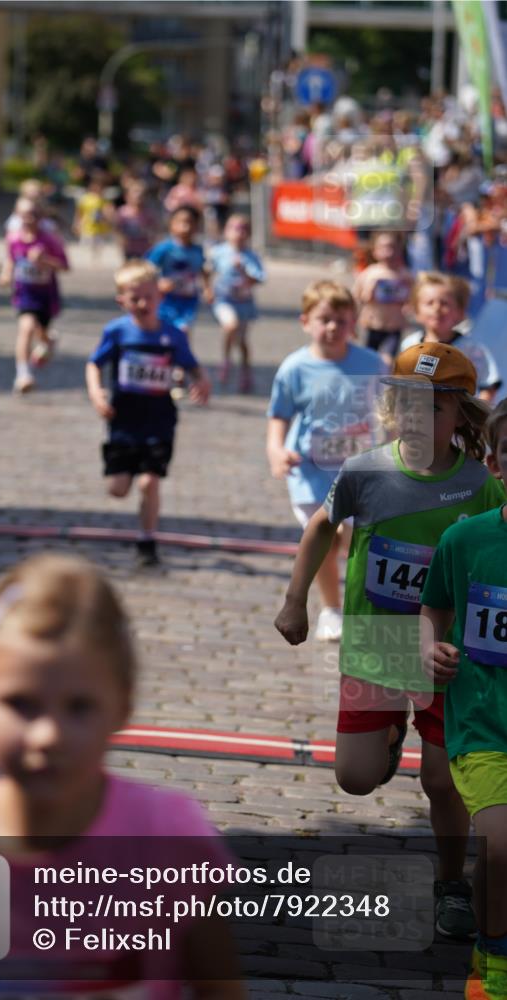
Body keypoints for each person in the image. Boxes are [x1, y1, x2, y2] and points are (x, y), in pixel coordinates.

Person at [0, 553, 244, 1000]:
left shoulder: (164, 840)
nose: (47, 735)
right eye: (21, 703)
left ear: (123, 705)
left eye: (79, 707)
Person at [274, 343, 505, 940]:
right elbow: (321, 527)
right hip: (378, 642)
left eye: (431, 407)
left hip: (446, 652)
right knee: (354, 777)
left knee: (439, 780)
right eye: (404, 402)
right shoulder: (364, 472)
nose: (415, 417)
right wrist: (296, 598)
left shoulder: (482, 486)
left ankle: (451, 882)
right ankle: (388, 732)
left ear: (460, 416)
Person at [421, 399, 507, 1000]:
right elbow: (433, 609)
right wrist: (430, 649)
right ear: (498, 463)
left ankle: (486, 934)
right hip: (482, 728)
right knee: (502, 844)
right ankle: (494, 964)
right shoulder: (465, 538)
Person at [267, 281, 389, 641]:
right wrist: (276, 450)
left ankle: (356, 606)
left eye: (341, 319)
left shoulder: (371, 363)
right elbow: (279, 415)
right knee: (327, 537)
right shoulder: (294, 368)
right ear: (306, 321)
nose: (333, 327)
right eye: (324, 319)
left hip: (357, 471)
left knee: (353, 538)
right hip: (309, 472)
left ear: (355, 321)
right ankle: (331, 610)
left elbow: (390, 411)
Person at [86, 260, 210, 568]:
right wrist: (96, 392)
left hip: (159, 419)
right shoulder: (116, 332)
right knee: (118, 489)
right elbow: (94, 364)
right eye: (133, 298)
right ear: (121, 300)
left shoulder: (172, 335)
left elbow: (191, 365)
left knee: (149, 483)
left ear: (161, 296)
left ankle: (147, 540)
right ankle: (136, 513)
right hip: (124, 419)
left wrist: (201, 381)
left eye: (148, 297)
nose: (142, 304)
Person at [0, 196, 69, 394]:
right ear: (17, 216)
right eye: (24, 215)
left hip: (45, 295)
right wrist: (6, 274)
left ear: (41, 216)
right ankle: (23, 374)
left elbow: (65, 266)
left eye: (33, 214)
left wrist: (45, 261)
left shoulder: (49, 239)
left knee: (41, 331)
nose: (29, 219)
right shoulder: (13, 238)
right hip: (24, 295)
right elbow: (10, 260)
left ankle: (48, 340)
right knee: (26, 328)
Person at [400, 272, 501, 403]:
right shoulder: (409, 345)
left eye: (444, 303)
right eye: (429, 303)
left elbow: (489, 386)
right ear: (416, 311)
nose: (437, 308)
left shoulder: (471, 348)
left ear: (460, 312)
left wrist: (475, 416)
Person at [208, 214, 265, 392]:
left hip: (244, 303)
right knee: (230, 326)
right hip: (224, 300)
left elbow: (259, 278)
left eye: (242, 229)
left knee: (242, 341)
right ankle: (226, 360)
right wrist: (207, 289)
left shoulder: (251, 256)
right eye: (234, 228)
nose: (238, 233)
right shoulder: (219, 252)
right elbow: (206, 270)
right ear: (226, 231)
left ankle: (245, 371)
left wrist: (244, 271)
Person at [147, 206, 210, 339]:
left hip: (189, 299)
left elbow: (203, 269)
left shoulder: (197, 250)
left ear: (197, 226)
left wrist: (207, 288)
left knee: (184, 330)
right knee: (166, 331)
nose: (185, 226)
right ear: (171, 225)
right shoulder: (164, 248)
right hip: (167, 299)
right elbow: (146, 268)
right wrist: (158, 282)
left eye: (189, 222)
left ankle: (183, 357)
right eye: (180, 222)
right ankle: (166, 357)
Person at [353, 231, 413, 365]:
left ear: (400, 250)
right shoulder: (370, 273)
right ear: (374, 251)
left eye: (392, 247)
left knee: (388, 360)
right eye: (383, 247)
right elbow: (357, 297)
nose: (388, 252)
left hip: (394, 326)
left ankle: (383, 381)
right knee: (369, 358)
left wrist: (410, 306)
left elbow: (413, 298)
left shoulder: (405, 275)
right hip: (373, 324)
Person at [73, 172, 114, 258]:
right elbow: (79, 213)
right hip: (87, 228)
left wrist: (108, 219)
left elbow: (110, 214)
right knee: (86, 249)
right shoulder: (85, 199)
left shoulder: (105, 200)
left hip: (101, 229)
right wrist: (76, 224)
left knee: (98, 250)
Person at [115, 180, 159, 261]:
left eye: (141, 194)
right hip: (129, 249)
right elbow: (118, 230)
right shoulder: (123, 212)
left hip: (145, 248)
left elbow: (154, 230)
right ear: (127, 196)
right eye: (135, 192)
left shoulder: (149, 213)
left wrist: (153, 243)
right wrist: (121, 244)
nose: (138, 196)